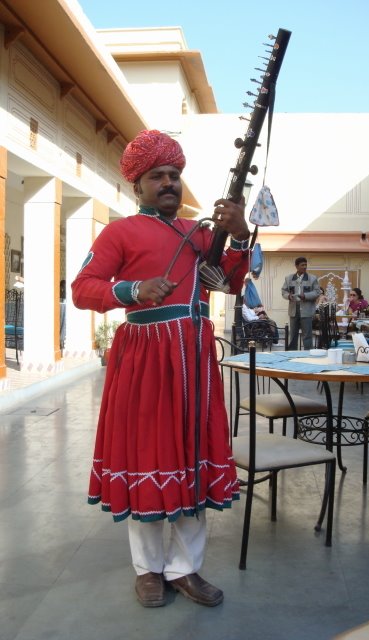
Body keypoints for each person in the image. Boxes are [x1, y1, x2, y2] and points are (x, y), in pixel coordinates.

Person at [71, 129, 250, 609]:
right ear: (139, 184)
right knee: (148, 456)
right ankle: (148, 570)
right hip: (145, 359)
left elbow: (232, 281)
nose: (168, 183)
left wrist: (241, 233)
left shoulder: (204, 234)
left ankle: (185, 569)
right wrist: (131, 291)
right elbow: (83, 288)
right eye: (158, 176)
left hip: (194, 359)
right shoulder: (120, 232)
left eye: (175, 175)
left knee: (191, 456)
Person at [281, 256, 321, 350]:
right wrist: (288, 296)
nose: (304, 267)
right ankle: (292, 353)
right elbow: (284, 291)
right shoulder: (288, 278)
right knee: (293, 334)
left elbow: (317, 292)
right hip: (293, 310)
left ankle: (308, 354)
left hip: (306, 310)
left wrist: (305, 296)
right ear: (296, 266)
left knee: (307, 334)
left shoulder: (312, 278)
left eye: (305, 265)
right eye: (302, 265)